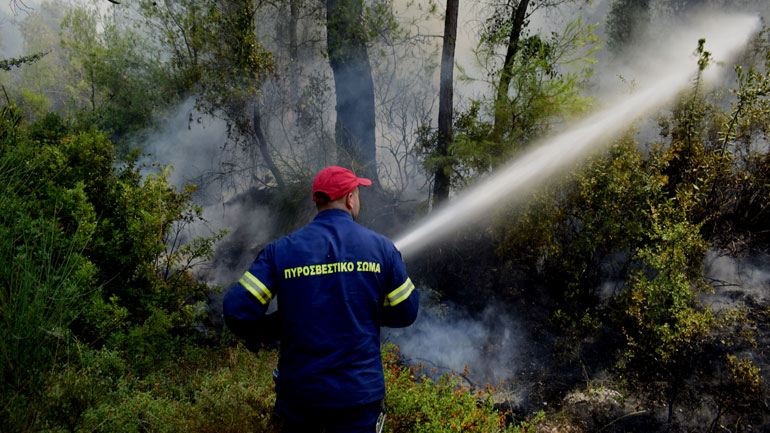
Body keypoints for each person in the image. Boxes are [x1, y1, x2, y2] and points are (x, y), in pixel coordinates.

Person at [223, 166, 419, 433]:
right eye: (358, 193)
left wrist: (274, 327)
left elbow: (236, 310)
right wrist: (366, 311)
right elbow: (407, 311)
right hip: (358, 400)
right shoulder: (381, 248)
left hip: (299, 400)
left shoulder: (280, 251)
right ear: (350, 199)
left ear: (318, 201)